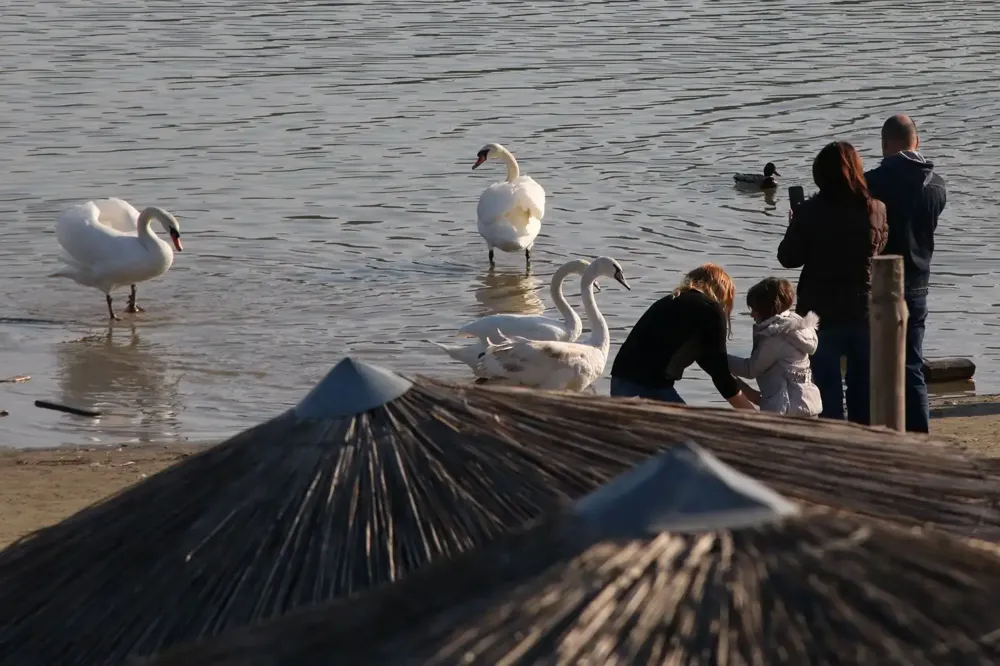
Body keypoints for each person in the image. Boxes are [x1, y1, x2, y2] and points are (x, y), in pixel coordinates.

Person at [777, 141, 888, 425]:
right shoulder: (875, 209)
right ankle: (864, 443)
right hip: (862, 309)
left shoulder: (810, 212)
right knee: (862, 389)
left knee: (825, 391)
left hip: (819, 313)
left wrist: (795, 224)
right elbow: (879, 249)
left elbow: (788, 258)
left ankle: (834, 446)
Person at [864, 114, 947, 433]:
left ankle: (882, 429)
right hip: (920, 281)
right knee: (912, 364)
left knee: (876, 365)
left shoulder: (872, 183)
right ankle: (920, 433)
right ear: (918, 142)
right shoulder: (938, 184)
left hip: (882, 285)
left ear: (885, 145)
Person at [610, 263, 757, 410]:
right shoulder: (711, 310)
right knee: (690, 428)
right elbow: (721, 376)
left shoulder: (671, 300)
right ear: (722, 292)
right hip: (651, 385)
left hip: (621, 377)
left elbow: (712, 364)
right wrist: (754, 417)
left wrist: (755, 397)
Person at [727, 277, 822, 417]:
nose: (752, 314)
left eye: (755, 309)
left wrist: (718, 357)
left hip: (787, 409)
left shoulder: (777, 336)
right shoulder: (798, 327)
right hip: (807, 403)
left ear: (767, 309)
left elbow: (751, 369)